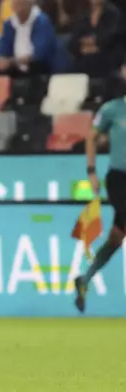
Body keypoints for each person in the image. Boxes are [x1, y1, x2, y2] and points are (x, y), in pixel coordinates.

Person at [75, 92, 126, 313]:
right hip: (119, 179)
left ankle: (85, 279)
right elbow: (92, 137)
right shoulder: (112, 109)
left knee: (117, 235)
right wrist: (91, 171)